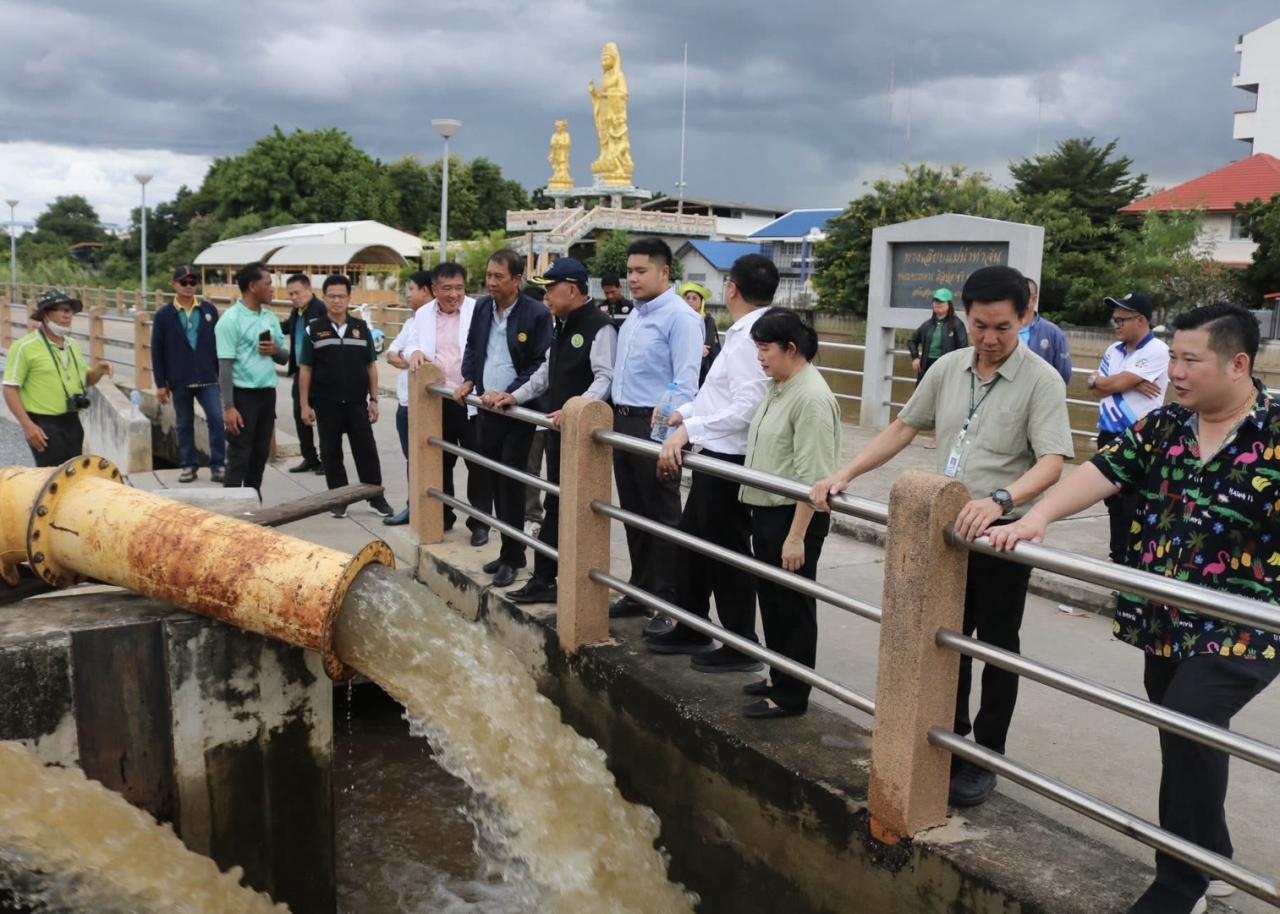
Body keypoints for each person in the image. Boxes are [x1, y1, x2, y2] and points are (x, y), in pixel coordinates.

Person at [988, 303, 1280, 914]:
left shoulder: (1275, 432)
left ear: (1239, 364)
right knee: (1185, 735)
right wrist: (1035, 516)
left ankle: (1180, 884)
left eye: (1189, 360)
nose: (1173, 371)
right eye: (1171, 357)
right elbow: (1101, 471)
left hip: (1246, 622)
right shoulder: (1167, 425)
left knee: (1188, 719)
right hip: (1163, 615)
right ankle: (1214, 851)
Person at [811, 265, 1074, 806]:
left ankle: (985, 757)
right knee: (944, 641)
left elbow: (1052, 462)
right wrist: (846, 473)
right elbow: (905, 427)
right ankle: (946, 743)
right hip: (946, 533)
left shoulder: (1041, 380)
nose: (990, 339)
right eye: (980, 325)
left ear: (1025, 315)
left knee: (998, 649)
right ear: (964, 315)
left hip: (1001, 535)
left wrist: (1001, 499)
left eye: (1003, 327)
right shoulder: (949, 367)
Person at [648, 255, 779, 671]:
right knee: (694, 542)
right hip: (716, 447)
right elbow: (720, 394)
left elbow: (746, 407)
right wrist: (685, 414)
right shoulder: (748, 331)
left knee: (726, 550)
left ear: (731, 289)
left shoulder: (751, 337)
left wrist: (691, 429)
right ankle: (692, 623)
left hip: (731, 455)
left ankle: (740, 642)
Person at [488, 258, 616, 604]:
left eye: (550, 289)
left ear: (571, 290)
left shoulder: (599, 326)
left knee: (569, 506)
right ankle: (546, 577)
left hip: (584, 433)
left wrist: (578, 408)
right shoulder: (560, 324)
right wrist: (513, 395)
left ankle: (551, 578)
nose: (545, 296)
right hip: (561, 428)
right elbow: (545, 373)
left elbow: (605, 377)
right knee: (555, 501)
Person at [737, 308, 841, 718]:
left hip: (791, 518)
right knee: (773, 601)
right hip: (766, 512)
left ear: (791, 349)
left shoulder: (812, 398)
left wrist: (796, 536)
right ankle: (780, 675)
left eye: (765, 349)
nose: (760, 357)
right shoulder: (780, 386)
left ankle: (792, 695)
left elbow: (813, 478)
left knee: (793, 606)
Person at [608, 238, 704, 617]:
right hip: (623, 420)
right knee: (634, 511)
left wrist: (668, 439)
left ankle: (666, 599)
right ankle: (640, 588)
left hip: (654, 424)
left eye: (640, 271)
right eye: (630, 271)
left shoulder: (681, 318)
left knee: (662, 514)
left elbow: (685, 384)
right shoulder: (636, 314)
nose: (632, 278)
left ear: (665, 272)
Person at [456, 250, 553, 587]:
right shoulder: (483, 307)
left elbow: (538, 365)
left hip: (516, 410)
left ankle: (514, 556)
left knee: (512, 484)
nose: (491, 283)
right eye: (489, 276)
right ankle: (506, 550)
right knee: (494, 479)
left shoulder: (536, 314)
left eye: (499, 277)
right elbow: (473, 347)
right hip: (486, 407)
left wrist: (509, 393)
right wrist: (468, 379)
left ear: (516, 280)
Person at [403, 263, 489, 541]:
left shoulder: (478, 309)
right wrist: (414, 352)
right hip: (439, 400)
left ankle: (479, 523)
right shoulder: (423, 314)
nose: (454, 294)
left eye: (459, 288)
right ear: (434, 289)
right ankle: (444, 515)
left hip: (470, 399)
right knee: (441, 462)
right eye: (447, 288)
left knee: (477, 463)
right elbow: (409, 344)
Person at [298, 274, 394, 519]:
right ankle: (338, 499)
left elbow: (371, 366)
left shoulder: (361, 329)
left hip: (356, 403)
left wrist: (374, 399)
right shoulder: (314, 329)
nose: (337, 301)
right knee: (331, 453)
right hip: (326, 403)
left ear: (349, 298)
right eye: (332, 296)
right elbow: (306, 368)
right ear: (324, 297)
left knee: (366, 450)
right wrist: (304, 404)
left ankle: (375, 496)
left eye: (341, 296)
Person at [1087, 292, 1169, 563]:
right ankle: (1118, 556)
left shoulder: (1156, 350)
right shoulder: (1114, 350)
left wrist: (1117, 381)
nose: (1117, 325)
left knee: (1132, 504)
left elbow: (1110, 385)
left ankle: (1130, 561)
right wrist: (1120, 381)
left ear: (1141, 321)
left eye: (1122, 320)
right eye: (1115, 320)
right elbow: (1097, 389)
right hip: (1109, 434)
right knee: (1112, 501)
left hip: (1138, 438)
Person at [3, 289, 112, 467]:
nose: (68, 315)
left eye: (70, 311)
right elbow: (9, 388)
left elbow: (86, 381)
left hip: (72, 420)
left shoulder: (72, 345)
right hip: (44, 424)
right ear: (45, 315)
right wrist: (27, 425)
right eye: (62, 310)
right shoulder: (24, 347)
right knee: (52, 478)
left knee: (74, 474)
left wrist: (99, 371)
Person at [216, 263, 287, 494]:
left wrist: (275, 350)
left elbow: (285, 359)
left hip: (267, 396)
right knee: (239, 456)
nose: (272, 289)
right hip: (242, 397)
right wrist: (228, 407)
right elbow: (225, 366)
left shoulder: (270, 318)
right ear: (252, 286)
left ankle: (253, 505)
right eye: (268, 284)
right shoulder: (230, 320)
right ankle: (231, 513)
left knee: (260, 454)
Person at [151, 266, 226, 483]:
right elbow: (157, 350)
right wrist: (161, 383)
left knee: (216, 418)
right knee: (184, 424)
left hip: (207, 378)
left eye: (192, 283)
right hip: (179, 379)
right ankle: (188, 465)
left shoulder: (209, 310)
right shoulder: (164, 316)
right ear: (174, 284)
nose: (188, 287)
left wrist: (221, 375)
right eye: (183, 282)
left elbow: (219, 346)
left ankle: (219, 464)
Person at [281, 273, 327, 473]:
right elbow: (287, 329)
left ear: (309, 289)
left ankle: (328, 459)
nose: (293, 297)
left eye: (297, 293)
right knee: (300, 414)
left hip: (320, 372)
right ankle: (309, 457)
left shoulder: (322, 310)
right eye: (290, 294)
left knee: (325, 418)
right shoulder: (296, 311)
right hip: (300, 371)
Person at [907, 288, 968, 380]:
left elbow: (963, 349)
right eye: (935, 301)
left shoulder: (957, 324)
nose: (938, 304)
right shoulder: (927, 325)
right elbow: (912, 341)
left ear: (949, 304)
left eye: (941, 301)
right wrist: (915, 357)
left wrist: (957, 368)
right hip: (926, 367)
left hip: (947, 368)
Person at [1019, 277, 1072, 384]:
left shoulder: (1053, 333)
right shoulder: (1003, 329)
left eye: (1022, 296)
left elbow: (1064, 374)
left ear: (1034, 299)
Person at [678, 281, 721, 384]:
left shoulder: (708, 320)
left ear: (701, 301)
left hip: (702, 370)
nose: (690, 301)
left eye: (694, 298)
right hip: (683, 367)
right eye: (687, 298)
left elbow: (705, 350)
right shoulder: (680, 319)